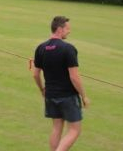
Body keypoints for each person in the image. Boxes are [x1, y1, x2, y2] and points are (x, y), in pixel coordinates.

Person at [32, 16, 90, 151]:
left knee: (57, 128)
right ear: (59, 29)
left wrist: (42, 90)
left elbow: (35, 74)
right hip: (67, 96)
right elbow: (74, 77)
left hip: (50, 95)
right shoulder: (68, 49)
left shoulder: (41, 48)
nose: (69, 32)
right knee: (75, 130)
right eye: (67, 29)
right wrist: (84, 96)